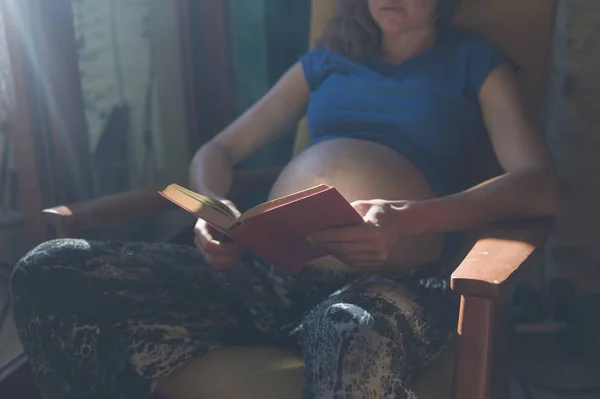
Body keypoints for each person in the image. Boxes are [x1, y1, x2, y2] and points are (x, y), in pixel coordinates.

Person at [10, 0, 560, 398]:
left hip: (391, 284)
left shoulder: (475, 65)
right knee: (50, 270)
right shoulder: (325, 62)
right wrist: (211, 212)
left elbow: (538, 184)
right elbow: (220, 148)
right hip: (263, 275)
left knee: (346, 330)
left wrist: (411, 217)